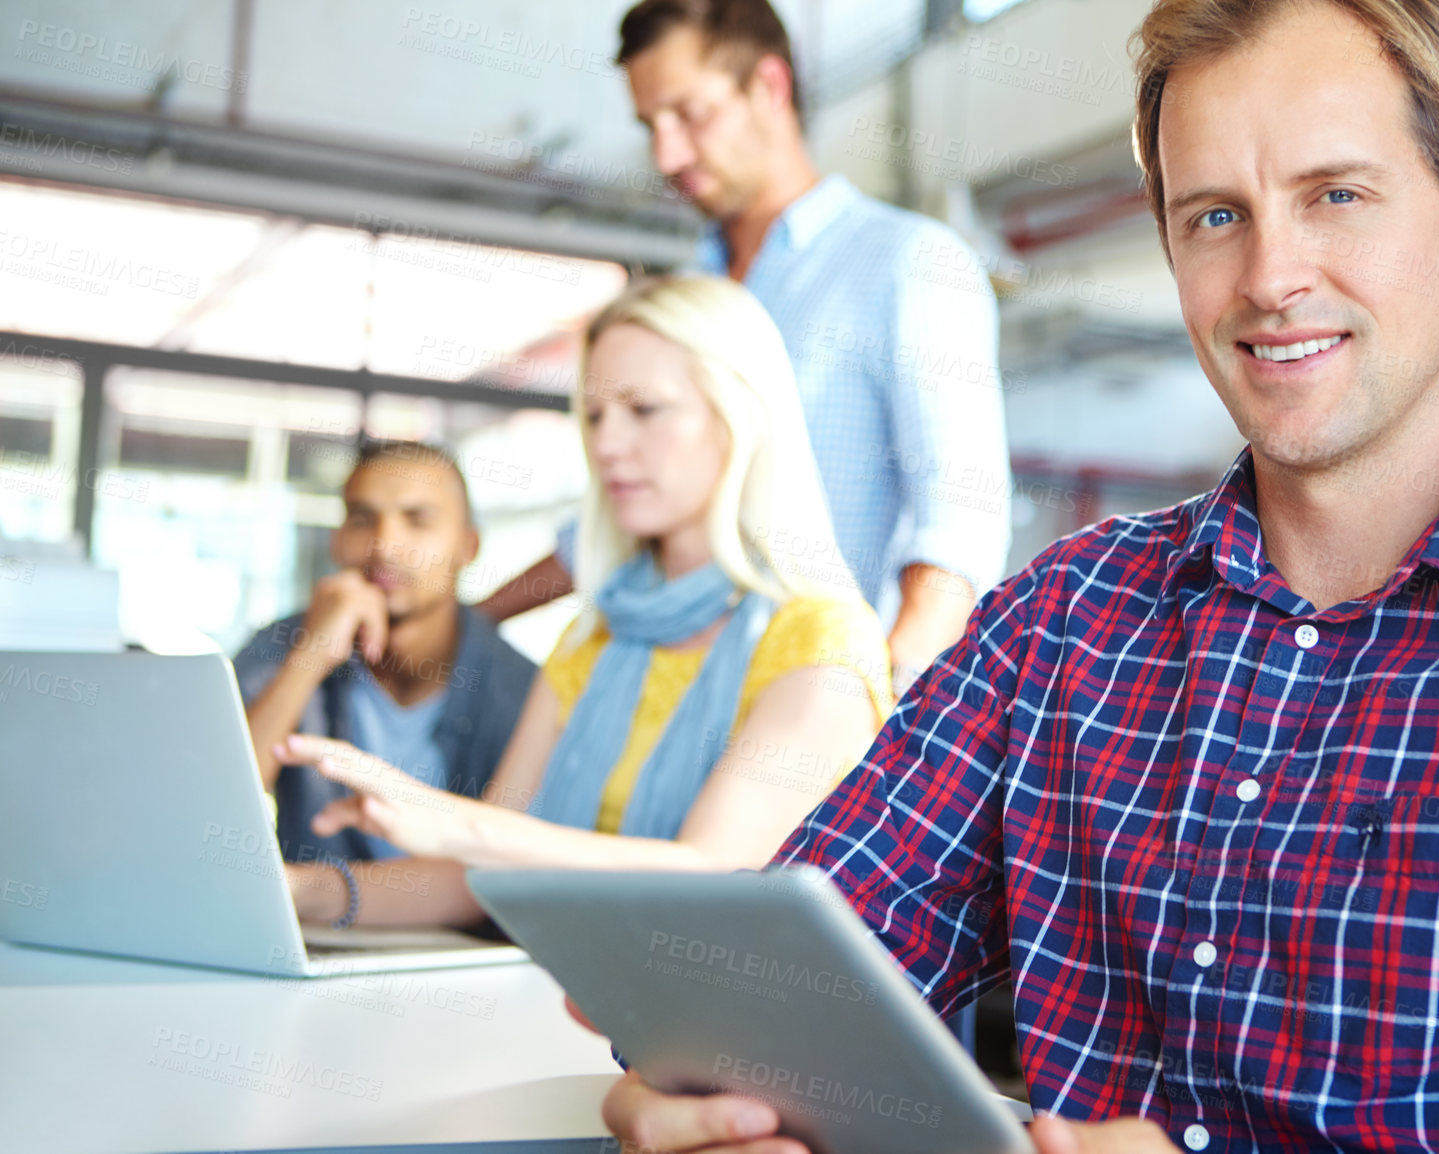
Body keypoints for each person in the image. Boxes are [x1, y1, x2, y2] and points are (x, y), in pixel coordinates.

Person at [592, 1, 1439, 1152]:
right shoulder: (1062, 620)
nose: (1270, 275)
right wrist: (707, 1070)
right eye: (1214, 216)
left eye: (1335, 194)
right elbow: (801, 959)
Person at [276, 276, 894, 929]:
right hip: (560, 1006)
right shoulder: (594, 636)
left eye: (645, 409)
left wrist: (456, 823)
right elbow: (481, 877)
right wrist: (298, 891)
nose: (607, 444)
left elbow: (717, 874)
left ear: (739, 416)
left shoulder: (823, 642)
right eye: (595, 415)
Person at [476, 0, 1012, 697]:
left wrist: (871, 721)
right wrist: (470, 621)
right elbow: (614, 525)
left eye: (690, 114)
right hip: (668, 702)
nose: (667, 154)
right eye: (650, 127)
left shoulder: (909, 263)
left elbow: (958, 532)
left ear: (770, 86)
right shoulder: (685, 294)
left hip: (818, 728)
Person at [233, 441, 536, 867]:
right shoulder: (284, 645)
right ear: (338, 540)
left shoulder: (523, 690)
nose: (386, 545)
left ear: (468, 547)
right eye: (362, 519)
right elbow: (215, 807)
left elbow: (516, 862)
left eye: (418, 520)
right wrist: (308, 660)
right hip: (312, 931)